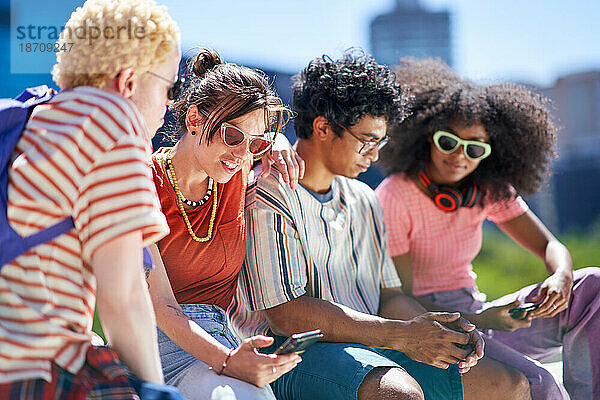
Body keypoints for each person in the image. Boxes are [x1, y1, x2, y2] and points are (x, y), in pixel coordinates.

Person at [230, 50, 537, 400]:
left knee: (508, 385)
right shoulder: (267, 195)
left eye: (381, 142)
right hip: (294, 357)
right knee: (399, 395)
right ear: (323, 128)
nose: (375, 155)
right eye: (367, 140)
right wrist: (403, 336)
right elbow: (289, 315)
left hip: (374, 344)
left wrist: (438, 331)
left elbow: (389, 296)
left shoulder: (364, 198)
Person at [375, 57, 600, 400]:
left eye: (474, 148)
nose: (459, 156)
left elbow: (551, 246)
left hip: (481, 312)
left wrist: (561, 277)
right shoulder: (395, 195)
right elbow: (399, 302)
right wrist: (485, 321)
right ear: (426, 137)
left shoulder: (488, 189)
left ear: (489, 152)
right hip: (435, 325)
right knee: (540, 384)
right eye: (448, 142)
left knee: (592, 286)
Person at [0, 0, 181, 398]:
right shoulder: (114, 120)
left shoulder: (33, 116)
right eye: (170, 86)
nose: (171, 105)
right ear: (130, 80)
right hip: (34, 369)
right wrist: (155, 392)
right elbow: (123, 297)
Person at [146, 48, 305, 400]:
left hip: (226, 336)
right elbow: (161, 308)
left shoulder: (236, 167)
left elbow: (254, 141)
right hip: (162, 347)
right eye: (232, 137)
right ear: (194, 121)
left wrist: (275, 141)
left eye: (256, 143)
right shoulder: (145, 183)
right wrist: (228, 362)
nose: (243, 154)